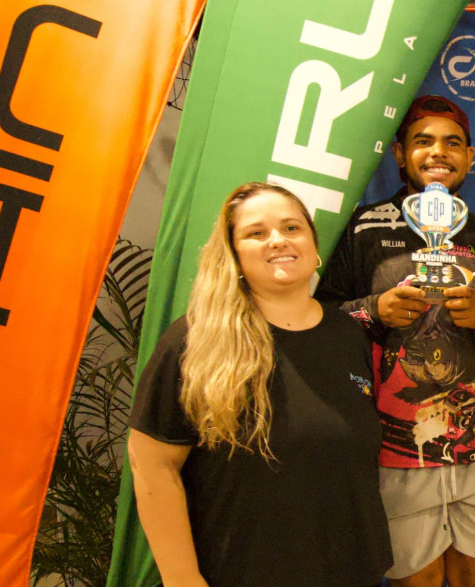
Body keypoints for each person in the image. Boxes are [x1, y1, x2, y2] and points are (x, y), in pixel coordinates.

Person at [128, 182, 389, 587]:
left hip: (351, 572)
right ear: (233, 254)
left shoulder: (347, 334)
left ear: (314, 244)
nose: (277, 241)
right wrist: (182, 578)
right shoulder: (194, 340)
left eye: (291, 228)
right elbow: (153, 465)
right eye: (256, 232)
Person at [316, 95, 475, 587]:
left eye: (453, 143)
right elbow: (320, 321)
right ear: (398, 153)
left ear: (471, 157)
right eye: (423, 141)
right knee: (420, 579)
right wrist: (375, 310)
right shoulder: (364, 228)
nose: (439, 153)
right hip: (396, 447)